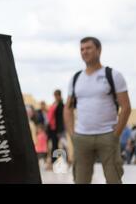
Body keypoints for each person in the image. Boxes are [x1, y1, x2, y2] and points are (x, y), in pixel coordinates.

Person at [64, 37, 131, 184]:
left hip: (107, 135)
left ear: (99, 50)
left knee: (114, 179)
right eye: (82, 49)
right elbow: (68, 108)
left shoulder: (113, 75)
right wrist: (72, 134)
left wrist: (116, 134)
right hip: (82, 137)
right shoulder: (76, 78)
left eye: (88, 48)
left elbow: (126, 107)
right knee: (80, 180)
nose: (84, 52)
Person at [47, 89, 65, 165]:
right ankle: (54, 161)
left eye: (56, 95)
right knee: (53, 145)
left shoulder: (61, 105)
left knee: (58, 146)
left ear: (59, 95)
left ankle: (55, 162)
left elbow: (61, 119)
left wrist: (60, 130)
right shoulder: (55, 104)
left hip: (58, 129)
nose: (55, 97)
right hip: (52, 129)